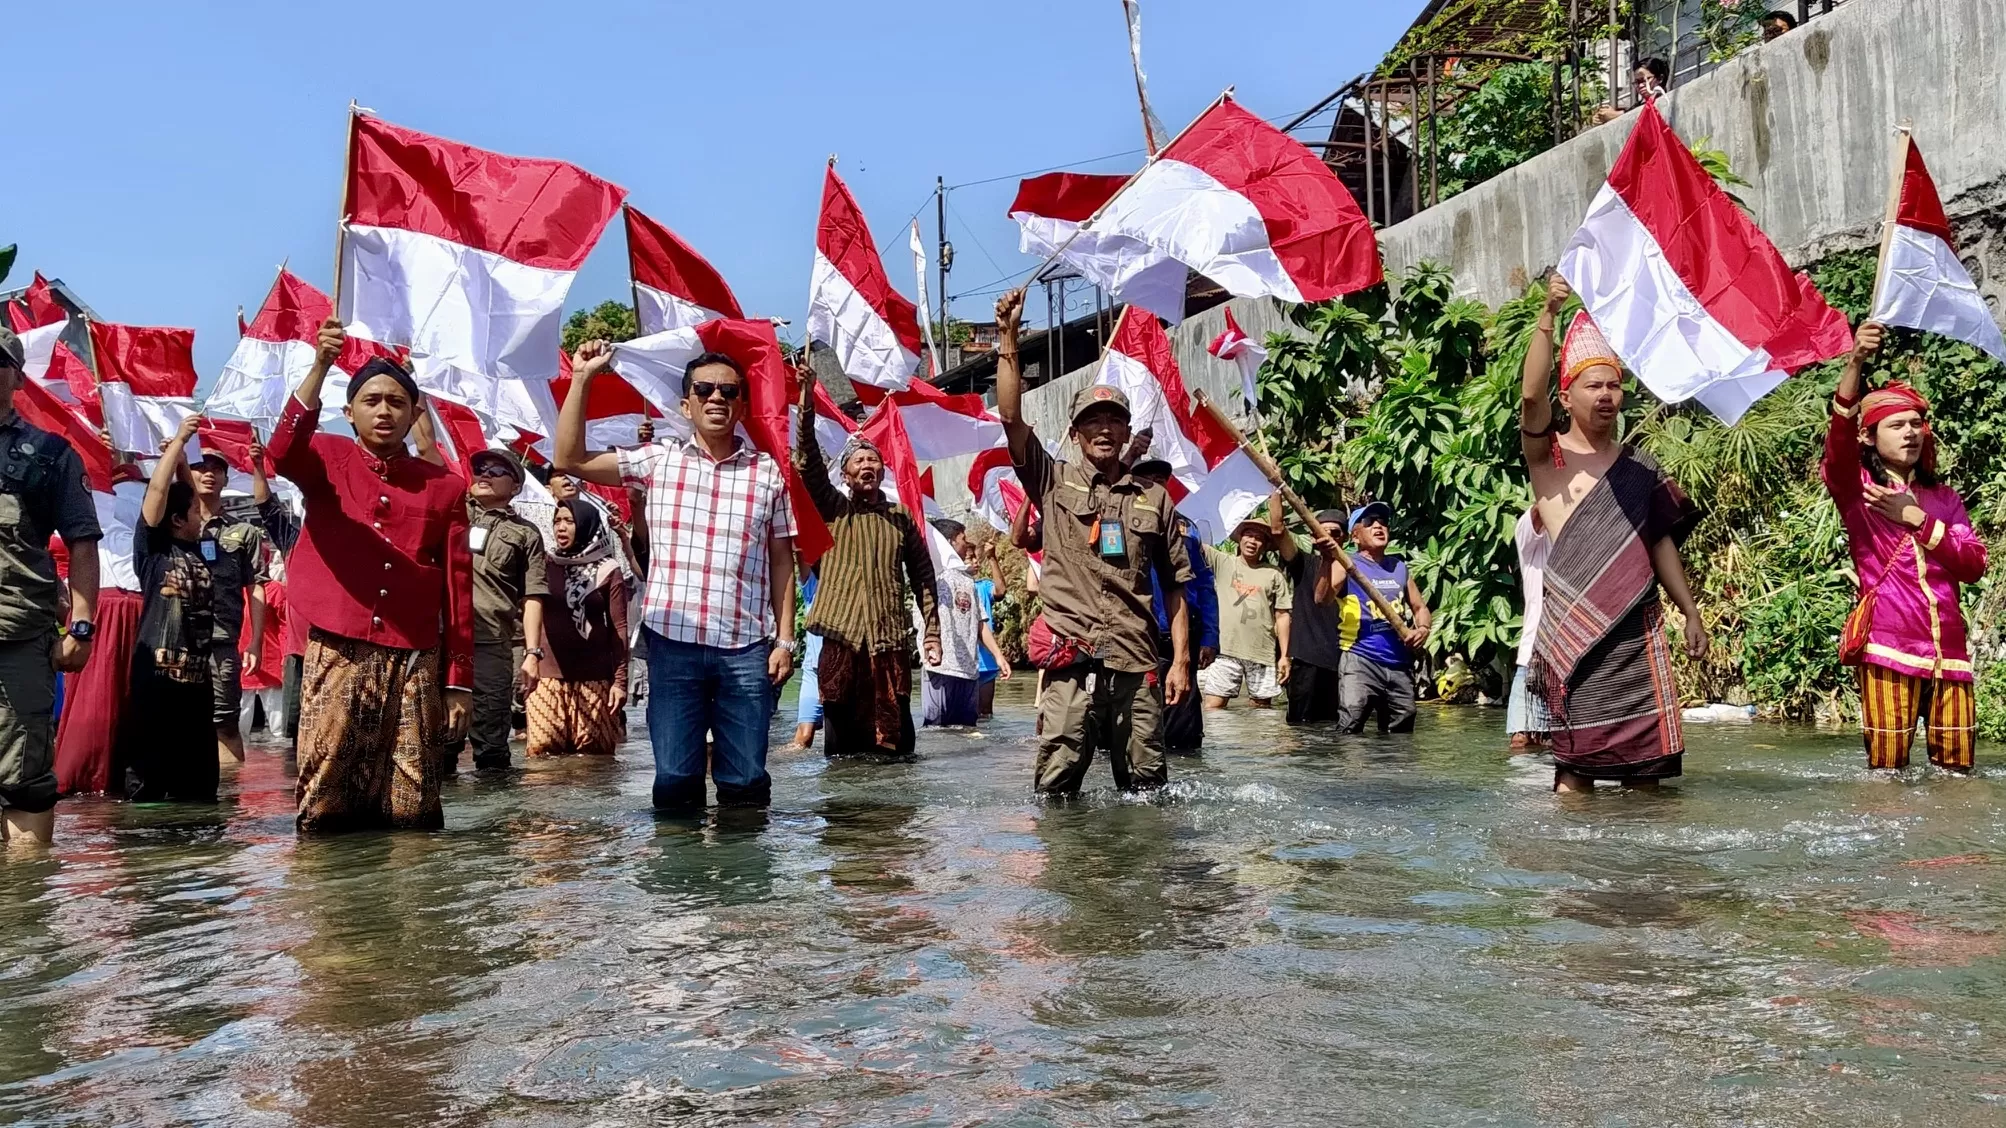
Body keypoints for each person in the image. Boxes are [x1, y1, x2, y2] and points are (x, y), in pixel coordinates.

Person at [556, 340, 796, 808]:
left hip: (746, 648)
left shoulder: (768, 473)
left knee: (746, 780)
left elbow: (782, 561)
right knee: (675, 781)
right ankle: (678, 859)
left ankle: (743, 857)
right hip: (672, 646)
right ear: (686, 405)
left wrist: (785, 641)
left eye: (729, 391)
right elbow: (570, 459)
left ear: (742, 406)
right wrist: (582, 378)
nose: (717, 397)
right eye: (704, 389)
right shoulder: (657, 460)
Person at [270, 320, 474, 832]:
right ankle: (327, 883)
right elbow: (281, 452)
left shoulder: (445, 486)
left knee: (413, 801)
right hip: (337, 644)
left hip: (415, 653)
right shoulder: (325, 455)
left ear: (414, 414)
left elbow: (457, 589)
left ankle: (409, 883)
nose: (384, 411)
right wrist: (320, 365)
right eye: (372, 400)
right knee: (325, 795)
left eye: (397, 402)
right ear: (349, 412)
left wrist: (458, 682)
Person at [994, 290, 1193, 796]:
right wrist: (1009, 337)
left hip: (1135, 658)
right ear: (1076, 431)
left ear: (1126, 431)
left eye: (1113, 420)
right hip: (1071, 656)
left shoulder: (1154, 498)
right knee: (1056, 784)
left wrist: (1181, 661)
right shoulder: (1052, 480)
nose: (1104, 429)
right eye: (1092, 421)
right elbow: (1011, 419)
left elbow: (1175, 586)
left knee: (1147, 789)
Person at [1521, 277, 1705, 792]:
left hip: (1636, 636)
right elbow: (1530, 394)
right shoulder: (1549, 457)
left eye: (1614, 385)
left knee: (1648, 778)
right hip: (1574, 636)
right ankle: (1577, 849)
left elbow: (1659, 543)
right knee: (1574, 778)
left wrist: (1690, 612)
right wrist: (1548, 313)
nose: (1606, 395)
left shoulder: (1641, 467)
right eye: (1593, 386)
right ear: (1567, 396)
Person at [1825, 322, 1989, 772]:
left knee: (1958, 777)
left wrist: (1917, 519)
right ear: (1869, 436)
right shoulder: (1857, 490)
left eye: (1916, 423)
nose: (1910, 433)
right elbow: (1837, 442)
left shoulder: (1944, 498)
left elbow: (1974, 565)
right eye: (1896, 425)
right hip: (1889, 646)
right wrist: (1856, 362)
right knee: (1887, 777)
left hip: (1949, 653)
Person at [792, 391, 938, 757]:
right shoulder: (833, 509)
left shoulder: (900, 518)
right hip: (841, 639)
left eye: (873, 459)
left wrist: (933, 634)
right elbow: (808, 463)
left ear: (883, 472)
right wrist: (806, 405)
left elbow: (923, 575)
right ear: (845, 475)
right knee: (841, 752)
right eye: (858, 460)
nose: (867, 464)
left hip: (889, 642)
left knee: (898, 747)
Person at [0, 327, 102, 844]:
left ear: (18, 377)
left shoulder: (49, 454)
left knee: (23, 780)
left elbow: (82, 543)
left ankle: (25, 892)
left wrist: (80, 628)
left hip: (18, 636)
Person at [112, 417, 218, 802]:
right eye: (194, 514)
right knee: (149, 789)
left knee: (200, 790)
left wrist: (182, 462)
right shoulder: (154, 549)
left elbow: (187, 495)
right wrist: (179, 441)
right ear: (176, 520)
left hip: (196, 684)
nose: (201, 515)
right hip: (158, 682)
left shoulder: (197, 548)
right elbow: (157, 492)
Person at [523, 495, 632, 757]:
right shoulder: (544, 565)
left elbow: (619, 630)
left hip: (594, 679)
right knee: (542, 757)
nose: (561, 527)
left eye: (569, 521)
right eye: (557, 521)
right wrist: (530, 657)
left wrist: (619, 682)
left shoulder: (608, 570)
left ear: (585, 525)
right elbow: (529, 609)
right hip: (546, 677)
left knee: (593, 760)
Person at [461, 448, 549, 773]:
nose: (485, 474)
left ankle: (493, 807)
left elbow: (533, 596)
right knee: (436, 738)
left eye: (497, 471)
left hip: (491, 644)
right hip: (441, 639)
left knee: (491, 745)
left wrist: (532, 654)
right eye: (480, 468)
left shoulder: (526, 534)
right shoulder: (453, 515)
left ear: (515, 487)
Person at [185, 442, 272, 764]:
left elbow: (257, 587)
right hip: (178, 639)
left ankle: (229, 790)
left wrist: (256, 641)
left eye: (217, 469)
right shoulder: (175, 526)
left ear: (225, 478)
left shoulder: (244, 532)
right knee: (177, 722)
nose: (209, 474)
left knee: (225, 721)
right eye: (200, 467)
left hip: (222, 639)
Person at [1130, 460, 1219, 750]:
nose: (1156, 485)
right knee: (1135, 720)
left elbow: (1205, 585)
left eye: (1161, 479)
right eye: (1148, 479)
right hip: (1136, 635)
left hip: (1182, 637)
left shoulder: (1187, 529)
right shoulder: (1119, 522)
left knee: (1184, 729)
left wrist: (1210, 636)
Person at [1330, 501, 1433, 734]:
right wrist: (1328, 558)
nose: (1378, 526)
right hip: (1360, 657)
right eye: (1369, 522)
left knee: (1402, 726)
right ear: (1355, 536)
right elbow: (1323, 597)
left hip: (1399, 662)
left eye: (1383, 522)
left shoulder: (1399, 567)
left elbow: (1420, 608)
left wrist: (1423, 629)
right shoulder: (1346, 563)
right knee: (1351, 722)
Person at [1199, 515, 1291, 710]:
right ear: (1240, 539)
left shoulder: (1274, 574)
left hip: (1262, 652)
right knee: (1213, 707)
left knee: (1262, 711)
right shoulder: (1222, 561)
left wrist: (1284, 655)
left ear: (1265, 546)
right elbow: (1195, 544)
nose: (1252, 541)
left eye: (1259, 538)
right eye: (1248, 535)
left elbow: (1282, 615)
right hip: (1225, 650)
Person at [921, 519, 1005, 729]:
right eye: (962, 539)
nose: (966, 544)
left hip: (969, 670)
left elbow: (980, 622)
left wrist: (998, 655)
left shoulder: (968, 581)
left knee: (967, 731)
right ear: (949, 542)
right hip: (940, 668)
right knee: (936, 731)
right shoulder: (930, 574)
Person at [1273, 505, 1347, 726]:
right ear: (1314, 537)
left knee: (1335, 729)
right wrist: (1275, 490)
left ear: (1345, 537)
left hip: (1344, 662)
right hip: (1306, 661)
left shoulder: (1356, 570)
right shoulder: (1303, 564)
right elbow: (1278, 530)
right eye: (1323, 532)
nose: (1329, 537)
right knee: (1301, 728)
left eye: (1335, 532)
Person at [1506, 507, 1552, 751]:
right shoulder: (1532, 533)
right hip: (1534, 655)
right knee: (1521, 741)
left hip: (1579, 658)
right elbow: (1540, 510)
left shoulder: (1587, 536)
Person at [791, 569, 824, 750]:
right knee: (804, 737)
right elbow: (802, 554)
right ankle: (774, 760)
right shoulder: (813, 584)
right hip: (814, 669)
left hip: (842, 666)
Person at [974, 540, 1007, 718]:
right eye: (969, 558)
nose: (975, 562)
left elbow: (1000, 591)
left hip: (986, 661)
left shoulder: (983, 586)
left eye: (975, 558)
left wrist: (992, 558)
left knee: (985, 715)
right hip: (963, 662)